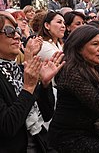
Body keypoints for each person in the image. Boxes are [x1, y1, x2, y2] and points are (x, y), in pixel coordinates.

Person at [0, 11, 64, 152]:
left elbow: (46, 114)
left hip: (39, 141)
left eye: (17, 30)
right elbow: (8, 127)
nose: (17, 36)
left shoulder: (18, 70)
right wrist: (28, 87)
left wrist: (45, 84)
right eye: (9, 31)